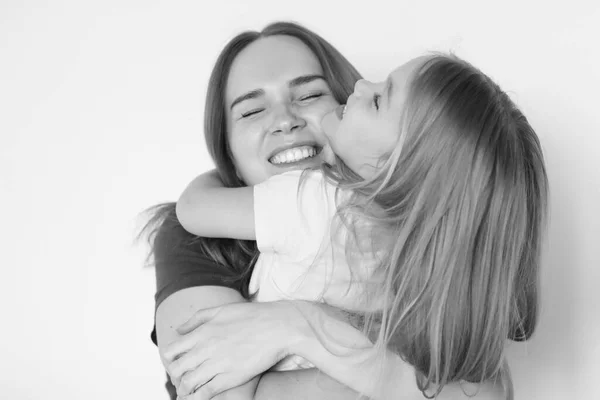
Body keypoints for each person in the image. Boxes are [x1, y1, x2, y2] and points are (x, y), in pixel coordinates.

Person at [166, 54, 548, 400]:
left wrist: (214, 175)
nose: (361, 86)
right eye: (250, 112)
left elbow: (193, 208)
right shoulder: (423, 257)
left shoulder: (311, 200)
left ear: (396, 165)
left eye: (310, 95)